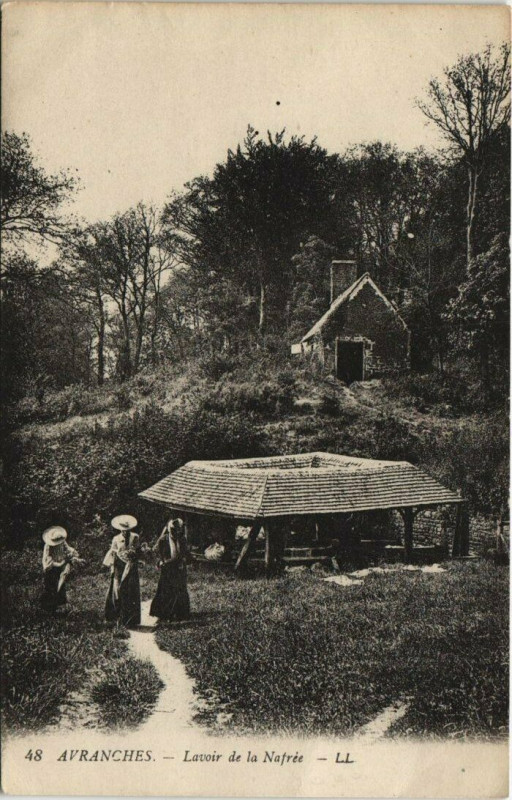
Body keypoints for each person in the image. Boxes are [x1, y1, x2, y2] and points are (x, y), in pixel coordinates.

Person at [103, 515, 142, 628]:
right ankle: (118, 617)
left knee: (131, 590)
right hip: (119, 566)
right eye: (123, 530)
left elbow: (138, 550)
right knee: (118, 590)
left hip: (131, 565)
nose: (125, 532)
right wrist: (113, 566)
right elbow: (113, 553)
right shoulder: (116, 538)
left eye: (127, 530)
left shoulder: (135, 537)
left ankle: (131, 619)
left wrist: (134, 555)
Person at [150, 518, 190, 622]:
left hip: (179, 567)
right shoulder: (163, 540)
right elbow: (157, 554)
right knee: (165, 590)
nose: (175, 533)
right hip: (167, 567)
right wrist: (160, 562)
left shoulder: (182, 540)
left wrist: (184, 560)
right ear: (169, 530)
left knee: (180, 589)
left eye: (177, 531)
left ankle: (180, 613)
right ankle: (163, 614)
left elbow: (186, 553)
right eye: (172, 530)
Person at [41, 526, 84, 614]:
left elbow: (68, 549)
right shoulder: (48, 546)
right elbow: (47, 559)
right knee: (51, 585)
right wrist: (56, 564)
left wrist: (73, 555)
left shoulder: (62, 542)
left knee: (61, 583)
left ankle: (59, 605)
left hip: (61, 564)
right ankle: (49, 607)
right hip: (52, 567)